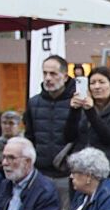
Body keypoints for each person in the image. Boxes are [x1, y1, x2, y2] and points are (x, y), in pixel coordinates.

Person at [65, 66, 110, 181]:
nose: (97, 87)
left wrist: (90, 111)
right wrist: (74, 111)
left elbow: (109, 138)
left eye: (101, 82)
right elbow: (68, 137)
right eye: (92, 83)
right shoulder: (83, 107)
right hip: (80, 173)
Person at [26, 56, 77, 185]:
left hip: (68, 173)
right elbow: (30, 136)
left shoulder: (76, 103)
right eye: (45, 73)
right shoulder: (34, 103)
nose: (48, 78)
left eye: (53, 74)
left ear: (65, 77)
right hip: (39, 172)